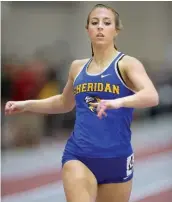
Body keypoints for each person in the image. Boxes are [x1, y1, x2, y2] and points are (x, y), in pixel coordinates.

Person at [5, 4, 159, 202]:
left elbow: (151, 95)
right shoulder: (77, 67)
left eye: (106, 23)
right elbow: (63, 102)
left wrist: (117, 103)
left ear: (116, 30)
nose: (100, 27)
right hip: (79, 155)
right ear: (87, 29)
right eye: (94, 23)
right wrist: (26, 105)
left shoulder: (127, 64)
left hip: (117, 158)